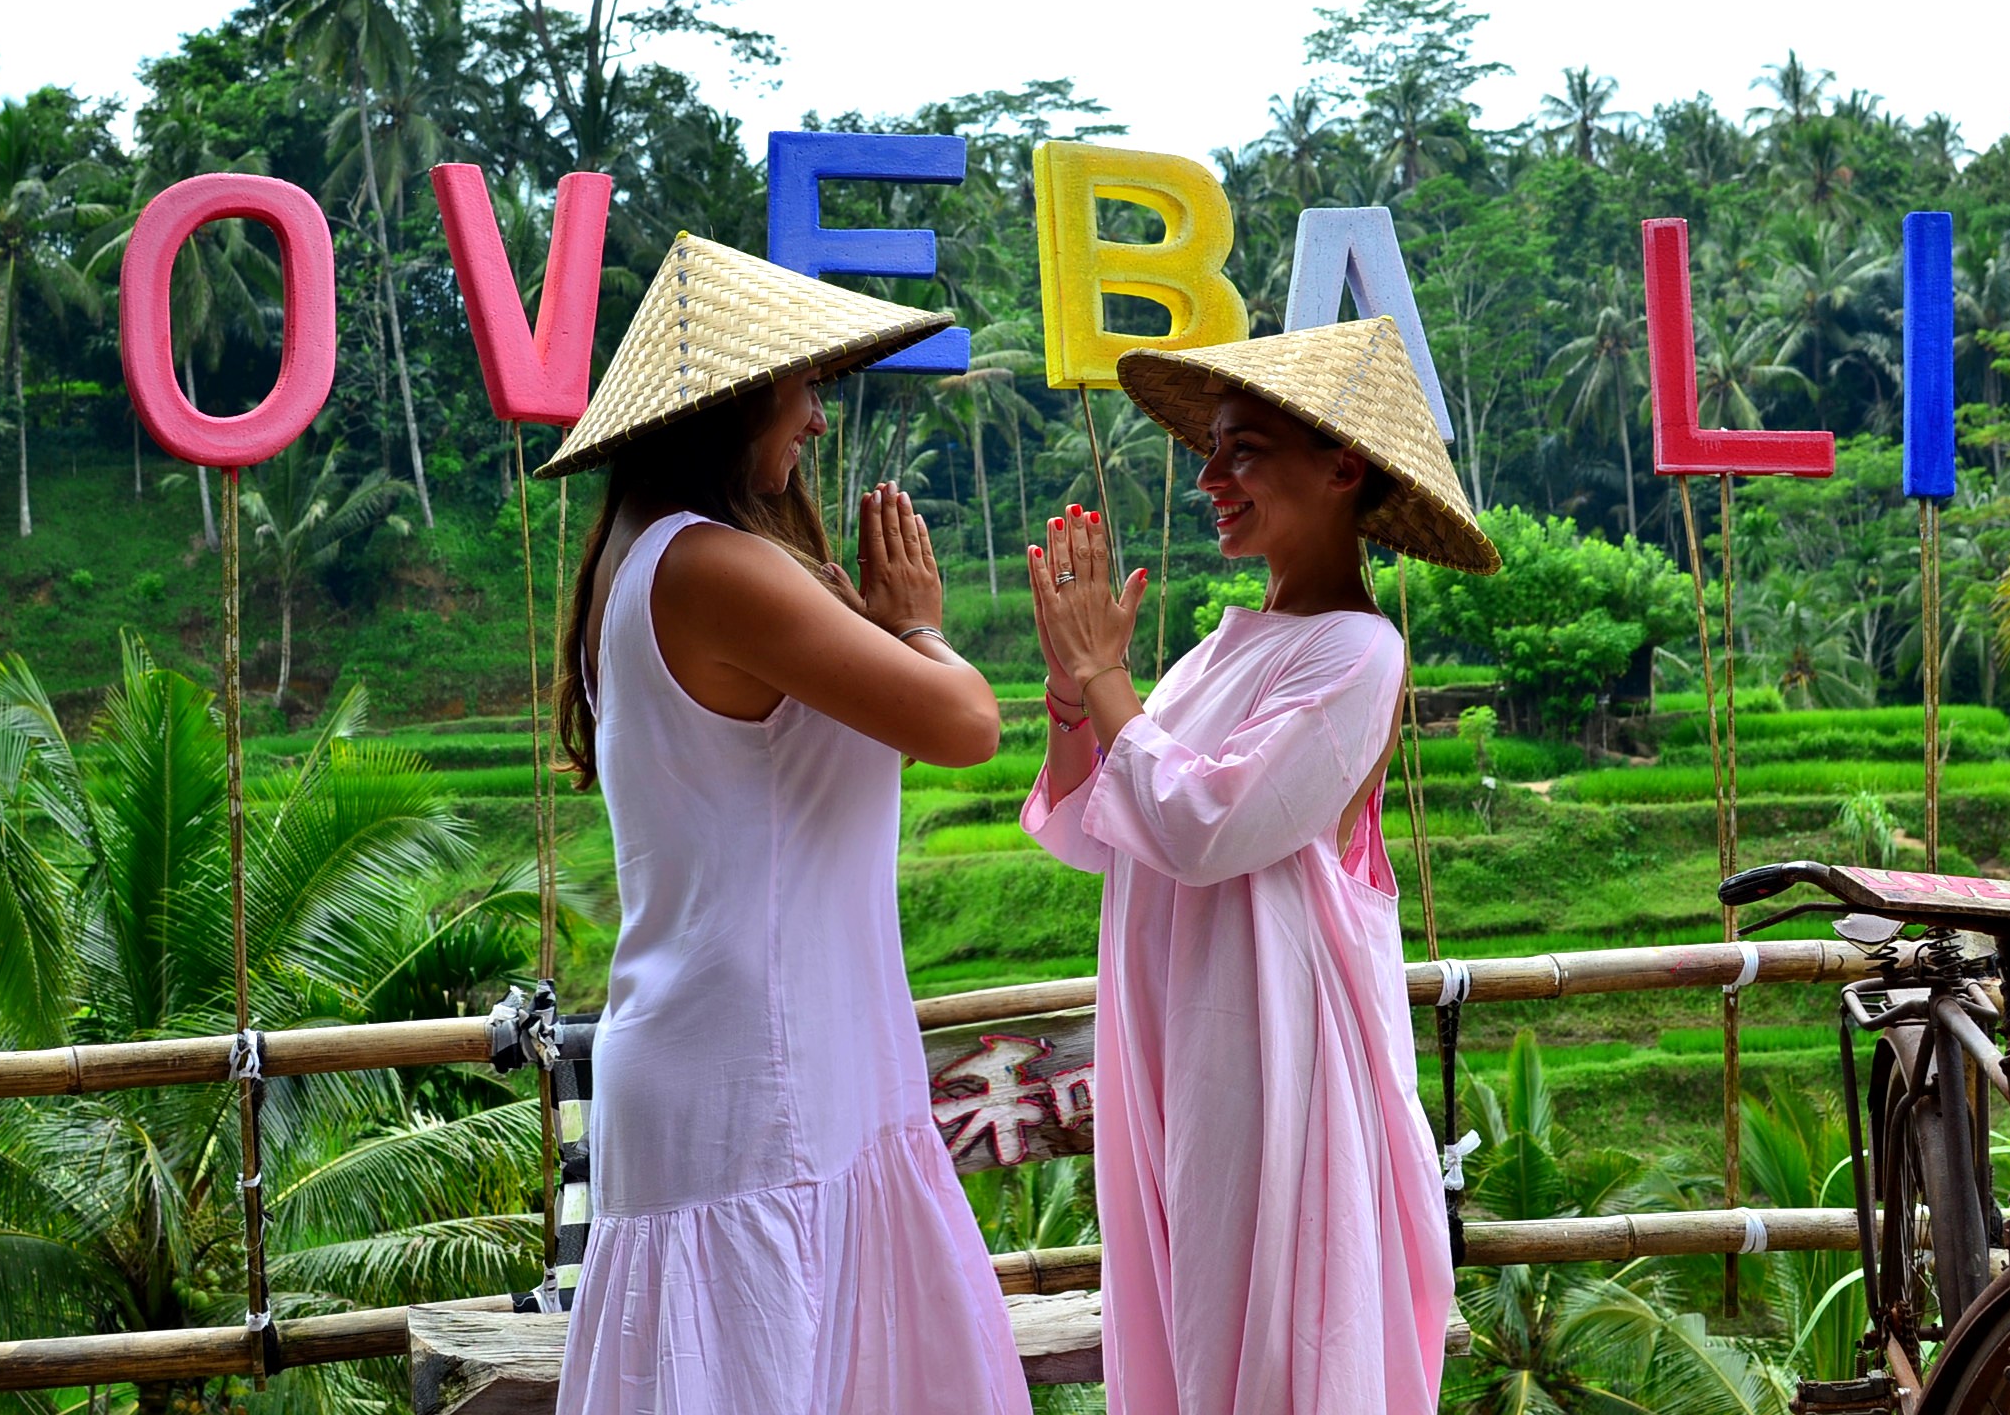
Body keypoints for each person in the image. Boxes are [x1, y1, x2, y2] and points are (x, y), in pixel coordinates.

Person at [539, 233, 1031, 1415]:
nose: (816, 417)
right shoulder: (711, 566)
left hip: (755, 1060)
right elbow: (967, 723)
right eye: (802, 387)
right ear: (735, 402)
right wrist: (916, 625)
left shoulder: (637, 557)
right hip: (765, 1078)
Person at [1020, 317, 1500, 1413]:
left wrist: (1106, 678)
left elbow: (1203, 825)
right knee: (1191, 1321)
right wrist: (1072, 689)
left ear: (1342, 469)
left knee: (1263, 1339)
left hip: (1265, 1055)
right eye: (1212, 450)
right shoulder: (1219, 651)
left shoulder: (1357, 652)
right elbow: (1103, 823)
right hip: (1180, 1038)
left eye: (1242, 451)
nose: (1210, 479)